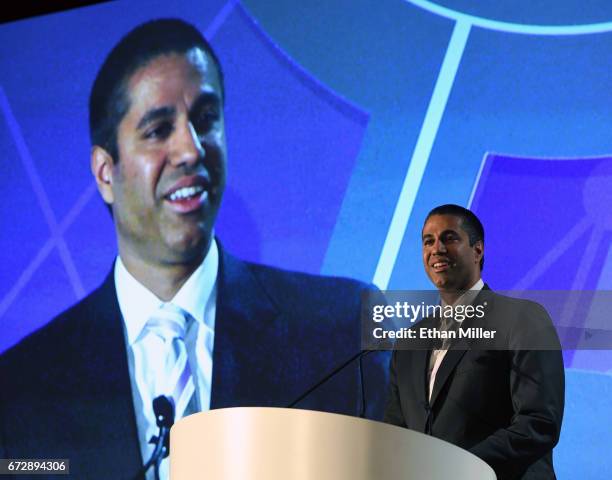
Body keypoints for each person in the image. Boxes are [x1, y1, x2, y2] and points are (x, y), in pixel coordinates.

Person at [0, 19, 388, 479]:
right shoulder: (22, 386)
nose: (190, 149)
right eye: (159, 129)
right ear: (106, 173)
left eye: (205, 120)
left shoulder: (341, 329)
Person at [383, 204, 565, 479]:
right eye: (428, 241)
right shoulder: (410, 340)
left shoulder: (521, 318)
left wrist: (458, 467)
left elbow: (538, 423)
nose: (437, 249)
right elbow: (395, 434)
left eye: (449, 238)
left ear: (478, 250)